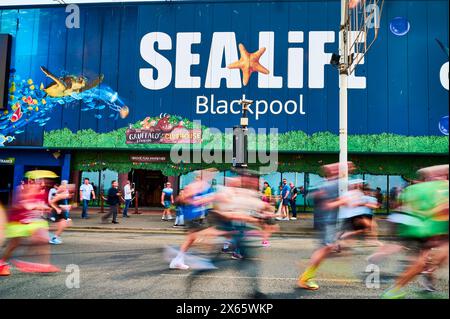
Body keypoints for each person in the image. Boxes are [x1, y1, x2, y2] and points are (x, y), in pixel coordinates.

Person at [381, 165, 448, 299]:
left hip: (414, 229)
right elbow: (444, 209)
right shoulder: (443, 188)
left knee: (423, 261)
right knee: (431, 258)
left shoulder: (412, 189)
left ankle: (398, 288)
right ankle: (397, 289)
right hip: (429, 230)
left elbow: (400, 208)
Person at [297, 162, 354, 290]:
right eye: (338, 168)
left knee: (327, 249)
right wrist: (342, 201)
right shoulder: (330, 184)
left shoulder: (332, 183)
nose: (345, 170)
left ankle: (307, 276)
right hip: (327, 222)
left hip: (329, 222)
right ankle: (305, 278)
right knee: (325, 249)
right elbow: (327, 204)